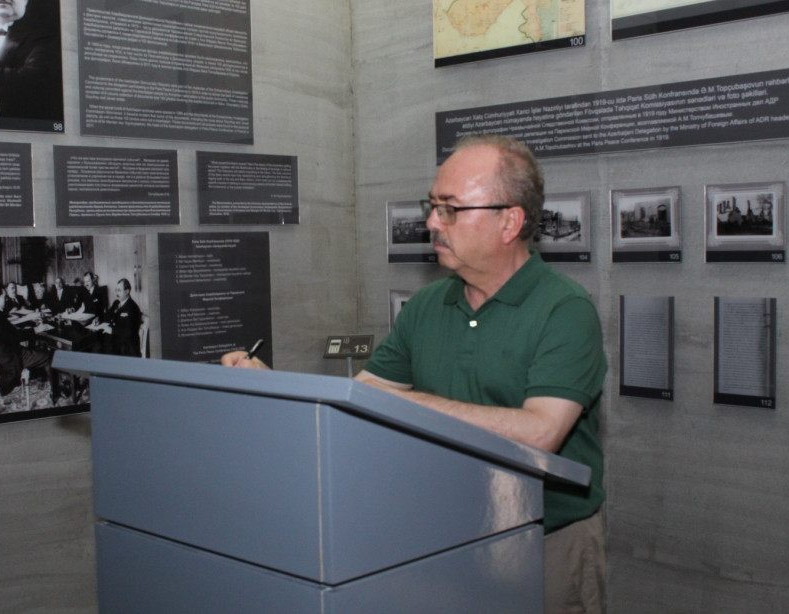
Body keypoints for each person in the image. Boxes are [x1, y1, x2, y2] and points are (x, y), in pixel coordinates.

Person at [222, 135, 607, 612]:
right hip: (443, 540)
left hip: (547, 541)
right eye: (432, 206)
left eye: (449, 209)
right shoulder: (429, 304)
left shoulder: (564, 310)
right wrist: (273, 385)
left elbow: (541, 433)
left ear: (510, 221)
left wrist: (408, 403)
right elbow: (358, 397)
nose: (431, 222)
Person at [0, 284, 60, 401]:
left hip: (4, 355)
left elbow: (11, 334)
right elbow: (16, 337)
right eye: (4, 297)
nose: (7, 298)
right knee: (49, 356)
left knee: (39, 350)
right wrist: (36, 329)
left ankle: (45, 378)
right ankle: (56, 392)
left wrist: (30, 330)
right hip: (11, 358)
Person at [102, 278, 142, 357]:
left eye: (119, 290)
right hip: (116, 341)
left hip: (127, 346)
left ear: (127, 291)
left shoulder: (133, 308)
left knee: (101, 350)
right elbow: (107, 316)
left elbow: (129, 332)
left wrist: (112, 330)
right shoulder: (116, 303)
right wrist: (98, 320)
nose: (116, 293)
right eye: (116, 290)